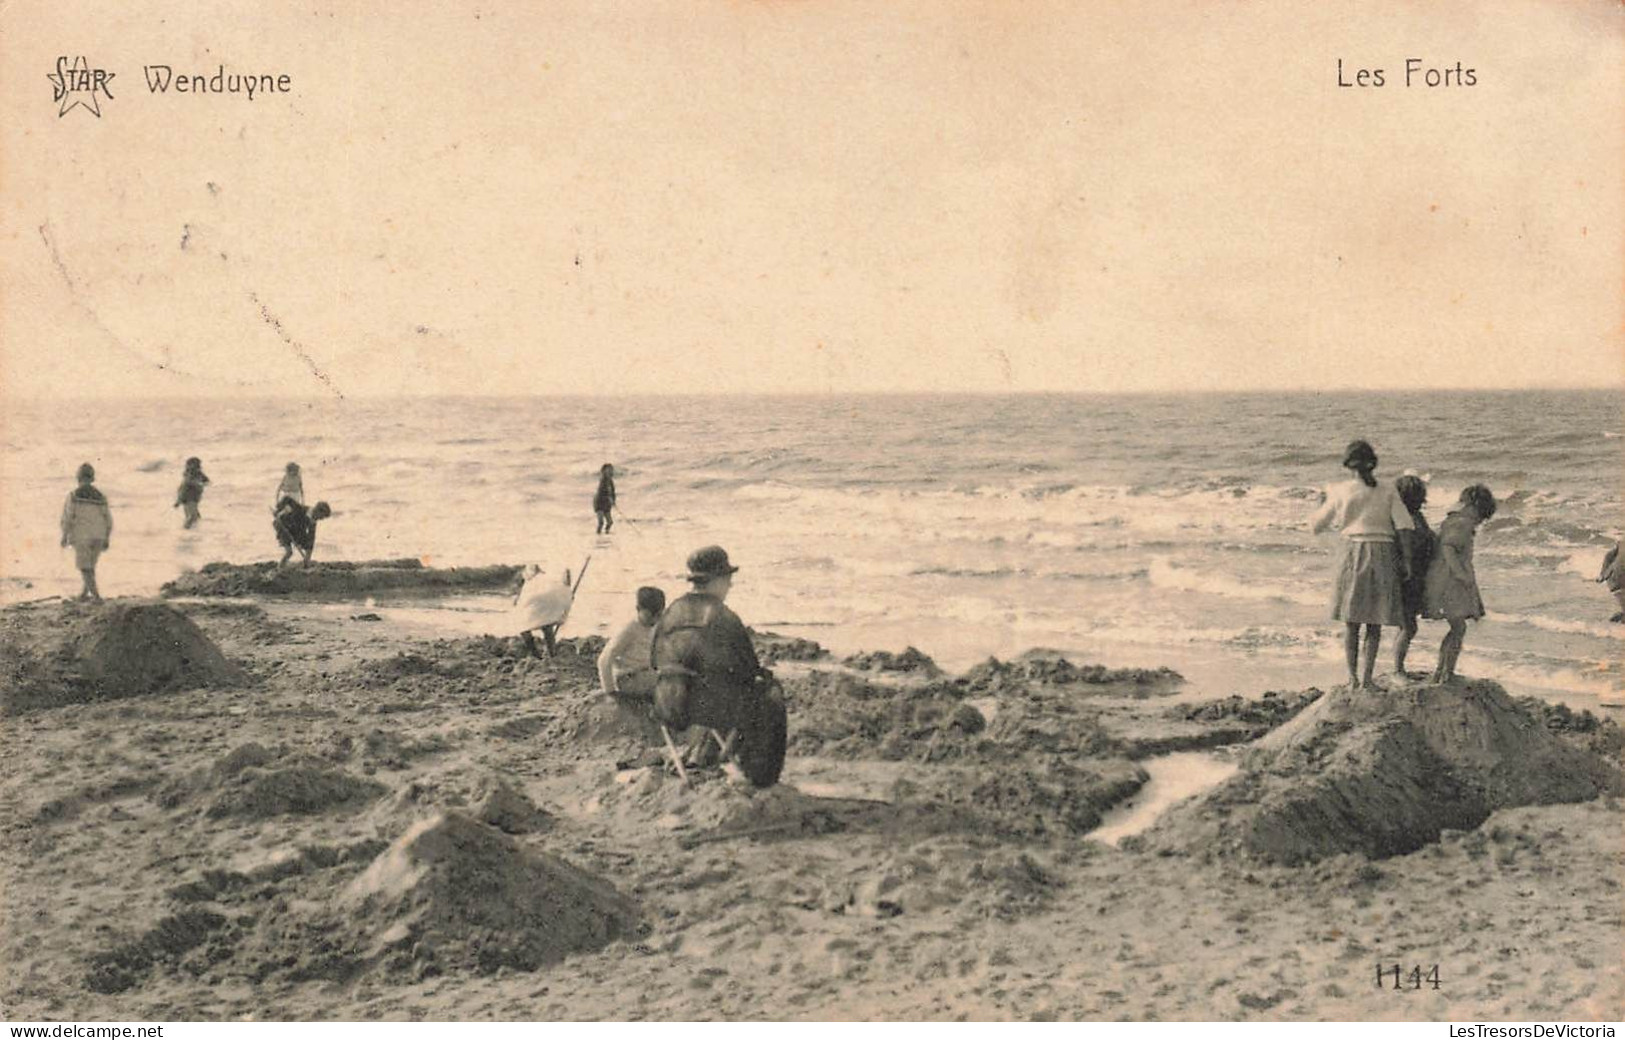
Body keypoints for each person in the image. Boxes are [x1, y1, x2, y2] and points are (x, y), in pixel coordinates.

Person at [650, 545, 787, 787]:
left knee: (720, 687)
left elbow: (655, 660)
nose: (730, 585)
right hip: (709, 708)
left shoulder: (670, 613)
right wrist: (763, 675)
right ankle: (761, 777)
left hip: (668, 704)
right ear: (715, 580)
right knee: (770, 695)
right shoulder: (723, 617)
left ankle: (707, 754)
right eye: (727, 579)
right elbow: (748, 670)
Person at [1310, 440, 1415, 690]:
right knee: (1374, 622)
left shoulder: (1341, 490)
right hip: (1383, 552)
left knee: (1351, 622)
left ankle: (1352, 678)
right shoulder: (1388, 489)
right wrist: (1407, 561)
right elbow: (1405, 527)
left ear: (1348, 465)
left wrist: (1319, 503)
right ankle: (1367, 679)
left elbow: (1316, 526)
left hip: (1352, 552)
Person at [1422, 484, 1495, 684]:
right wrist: (1462, 575)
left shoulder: (1453, 519)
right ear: (1475, 508)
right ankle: (1445, 672)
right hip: (1449, 580)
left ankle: (1442, 671)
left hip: (1443, 577)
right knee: (1458, 627)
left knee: (1457, 626)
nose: (1480, 521)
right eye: (1481, 516)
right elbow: (1448, 548)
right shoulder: (1462, 523)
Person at [1391, 472, 1434, 679]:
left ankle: (1398, 668)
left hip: (1412, 578)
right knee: (1409, 626)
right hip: (1408, 579)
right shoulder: (1408, 519)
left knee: (1407, 625)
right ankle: (1397, 670)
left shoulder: (1404, 517)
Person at [597, 586, 666, 699]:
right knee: (667, 685)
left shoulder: (655, 626)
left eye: (658, 615)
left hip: (645, 673)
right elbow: (605, 659)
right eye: (649, 616)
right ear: (638, 609)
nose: (654, 620)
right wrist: (610, 691)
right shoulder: (629, 630)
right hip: (628, 678)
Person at [60, 463, 112, 602]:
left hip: (82, 535)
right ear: (92, 478)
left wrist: (64, 535)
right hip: (99, 535)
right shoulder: (101, 496)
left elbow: (68, 517)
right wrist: (107, 537)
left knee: (84, 567)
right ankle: (84, 594)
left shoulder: (73, 495)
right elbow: (108, 519)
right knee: (90, 565)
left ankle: (96, 597)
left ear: (78, 477)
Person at [514, 564, 576, 658]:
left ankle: (535, 655)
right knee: (547, 625)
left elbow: (520, 598)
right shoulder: (548, 575)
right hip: (559, 595)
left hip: (540, 598)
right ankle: (552, 653)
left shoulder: (529, 580)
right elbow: (566, 580)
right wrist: (568, 594)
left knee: (523, 627)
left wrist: (517, 602)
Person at [273, 498, 332, 566]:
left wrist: (308, 556)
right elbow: (287, 499)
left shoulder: (312, 522)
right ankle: (280, 567)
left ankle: (304, 563)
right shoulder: (300, 509)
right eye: (322, 517)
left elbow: (311, 539)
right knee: (289, 552)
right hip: (283, 525)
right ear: (318, 511)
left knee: (304, 542)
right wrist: (278, 510)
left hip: (294, 530)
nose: (321, 519)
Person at [174, 457, 210, 529]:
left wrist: (203, 483)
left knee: (194, 517)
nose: (198, 467)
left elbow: (207, 481)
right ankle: (186, 530)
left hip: (194, 499)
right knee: (193, 517)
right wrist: (178, 501)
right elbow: (182, 490)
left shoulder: (198, 474)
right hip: (188, 499)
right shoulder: (189, 476)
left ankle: (191, 531)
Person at [1598, 539, 1624, 623]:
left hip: (1614, 578)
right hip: (1617, 578)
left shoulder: (1621, 541)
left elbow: (1609, 555)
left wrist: (1603, 574)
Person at [593, 464, 617, 535]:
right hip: (599, 502)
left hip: (607, 504)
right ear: (604, 471)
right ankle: (598, 535)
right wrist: (609, 498)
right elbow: (602, 491)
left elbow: (613, 492)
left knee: (610, 522)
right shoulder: (602, 480)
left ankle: (606, 533)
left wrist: (613, 500)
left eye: (611, 470)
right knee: (601, 522)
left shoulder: (611, 481)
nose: (610, 471)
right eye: (608, 470)